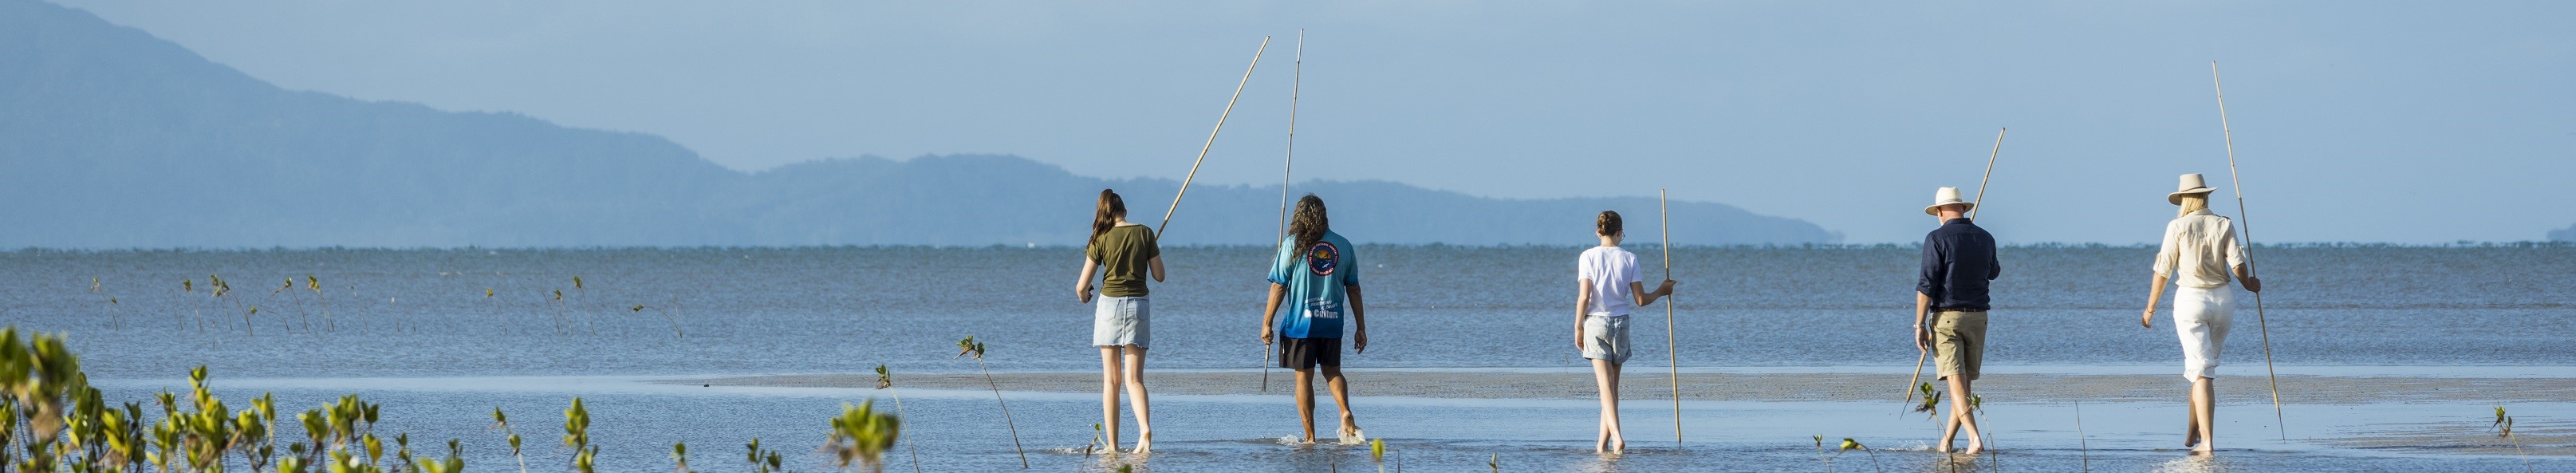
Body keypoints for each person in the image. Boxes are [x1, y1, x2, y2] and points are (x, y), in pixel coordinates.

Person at [2137, 174, 2261, 455]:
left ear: (2184, 199)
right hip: (2223, 301)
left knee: (2201, 371)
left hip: (2191, 300)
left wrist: (2150, 309)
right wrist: (2248, 284)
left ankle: (2207, 442)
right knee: (2202, 369)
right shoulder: (2224, 223)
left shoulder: (2177, 226)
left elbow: (2163, 270)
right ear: (2205, 196)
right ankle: (2192, 432)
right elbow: (2238, 264)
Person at [1259, 195, 1369, 443]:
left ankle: (1310, 438)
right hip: (1332, 322)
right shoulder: (1343, 245)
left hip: (1301, 324)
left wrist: (1267, 322)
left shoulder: (1292, 244)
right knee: (1333, 371)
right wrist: (1361, 327)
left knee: (1303, 376)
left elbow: (1278, 286)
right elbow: (1354, 288)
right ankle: (1345, 410)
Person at [1574, 211, 1678, 453]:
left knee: (1605, 387)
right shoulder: (1630, 258)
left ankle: (1618, 437)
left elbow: (1585, 296)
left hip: (1596, 323)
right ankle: (1602, 446)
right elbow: (1641, 299)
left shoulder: (1587, 256)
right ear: (1620, 232)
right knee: (1611, 388)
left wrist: (1578, 326)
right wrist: (1662, 291)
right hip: (1621, 323)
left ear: (1599, 232)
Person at [1075, 189, 1164, 454]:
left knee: (1111, 381)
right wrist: (1148, 250)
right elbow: (1159, 276)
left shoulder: (1101, 238)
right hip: (1139, 305)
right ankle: (1144, 428)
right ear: (1124, 209)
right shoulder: (1145, 233)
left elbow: (1081, 286)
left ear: (1104, 213)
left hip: (1109, 307)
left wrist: (1085, 296)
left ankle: (1112, 446)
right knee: (1134, 379)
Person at [1913, 186, 2000, 455]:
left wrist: (1919, 325)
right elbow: (1994, 272)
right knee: (1961, 385)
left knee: (1957, 384)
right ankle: (1946, 443)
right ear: (1963, 208)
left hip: (1948, 319)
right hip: (1979, 319)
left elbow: (1927, 286)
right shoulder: (1985, 237)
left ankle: (1975, 439)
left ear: (1940, 212)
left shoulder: (1936, 238)